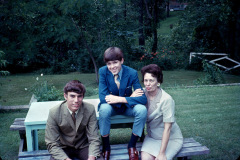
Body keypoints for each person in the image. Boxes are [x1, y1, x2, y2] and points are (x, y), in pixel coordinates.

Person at [98, 47, 147, 160]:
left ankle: (132, 145)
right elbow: (103, 98)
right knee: (104, 109)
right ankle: (106, 147)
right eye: (109, 63)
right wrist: (129, 97)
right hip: (111, 107)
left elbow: (143, 99)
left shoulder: (132, 73)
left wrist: (121, 99)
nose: (112, 66)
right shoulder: (103, 71)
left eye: (115, 62)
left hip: (127, 107)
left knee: (142, 110)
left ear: (122, 61)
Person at [45, 80, 102, 160]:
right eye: (72, 96)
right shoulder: (54, 112)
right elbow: (51, 142)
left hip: (83, 146)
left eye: (79, 96)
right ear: (65, 96)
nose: (76, 100)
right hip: (63, 147)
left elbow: (94, 138)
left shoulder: (89, 109)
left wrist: (91, 157)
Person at [139, 64, 183, 160]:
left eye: (151, 80)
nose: (148, 84)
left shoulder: (166, 99)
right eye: (146, 80)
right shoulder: (142, 93)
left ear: (158, 81)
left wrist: (162, 153)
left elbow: (167, 129)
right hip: (152, 138)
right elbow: (128, 100)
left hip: (170, 139)